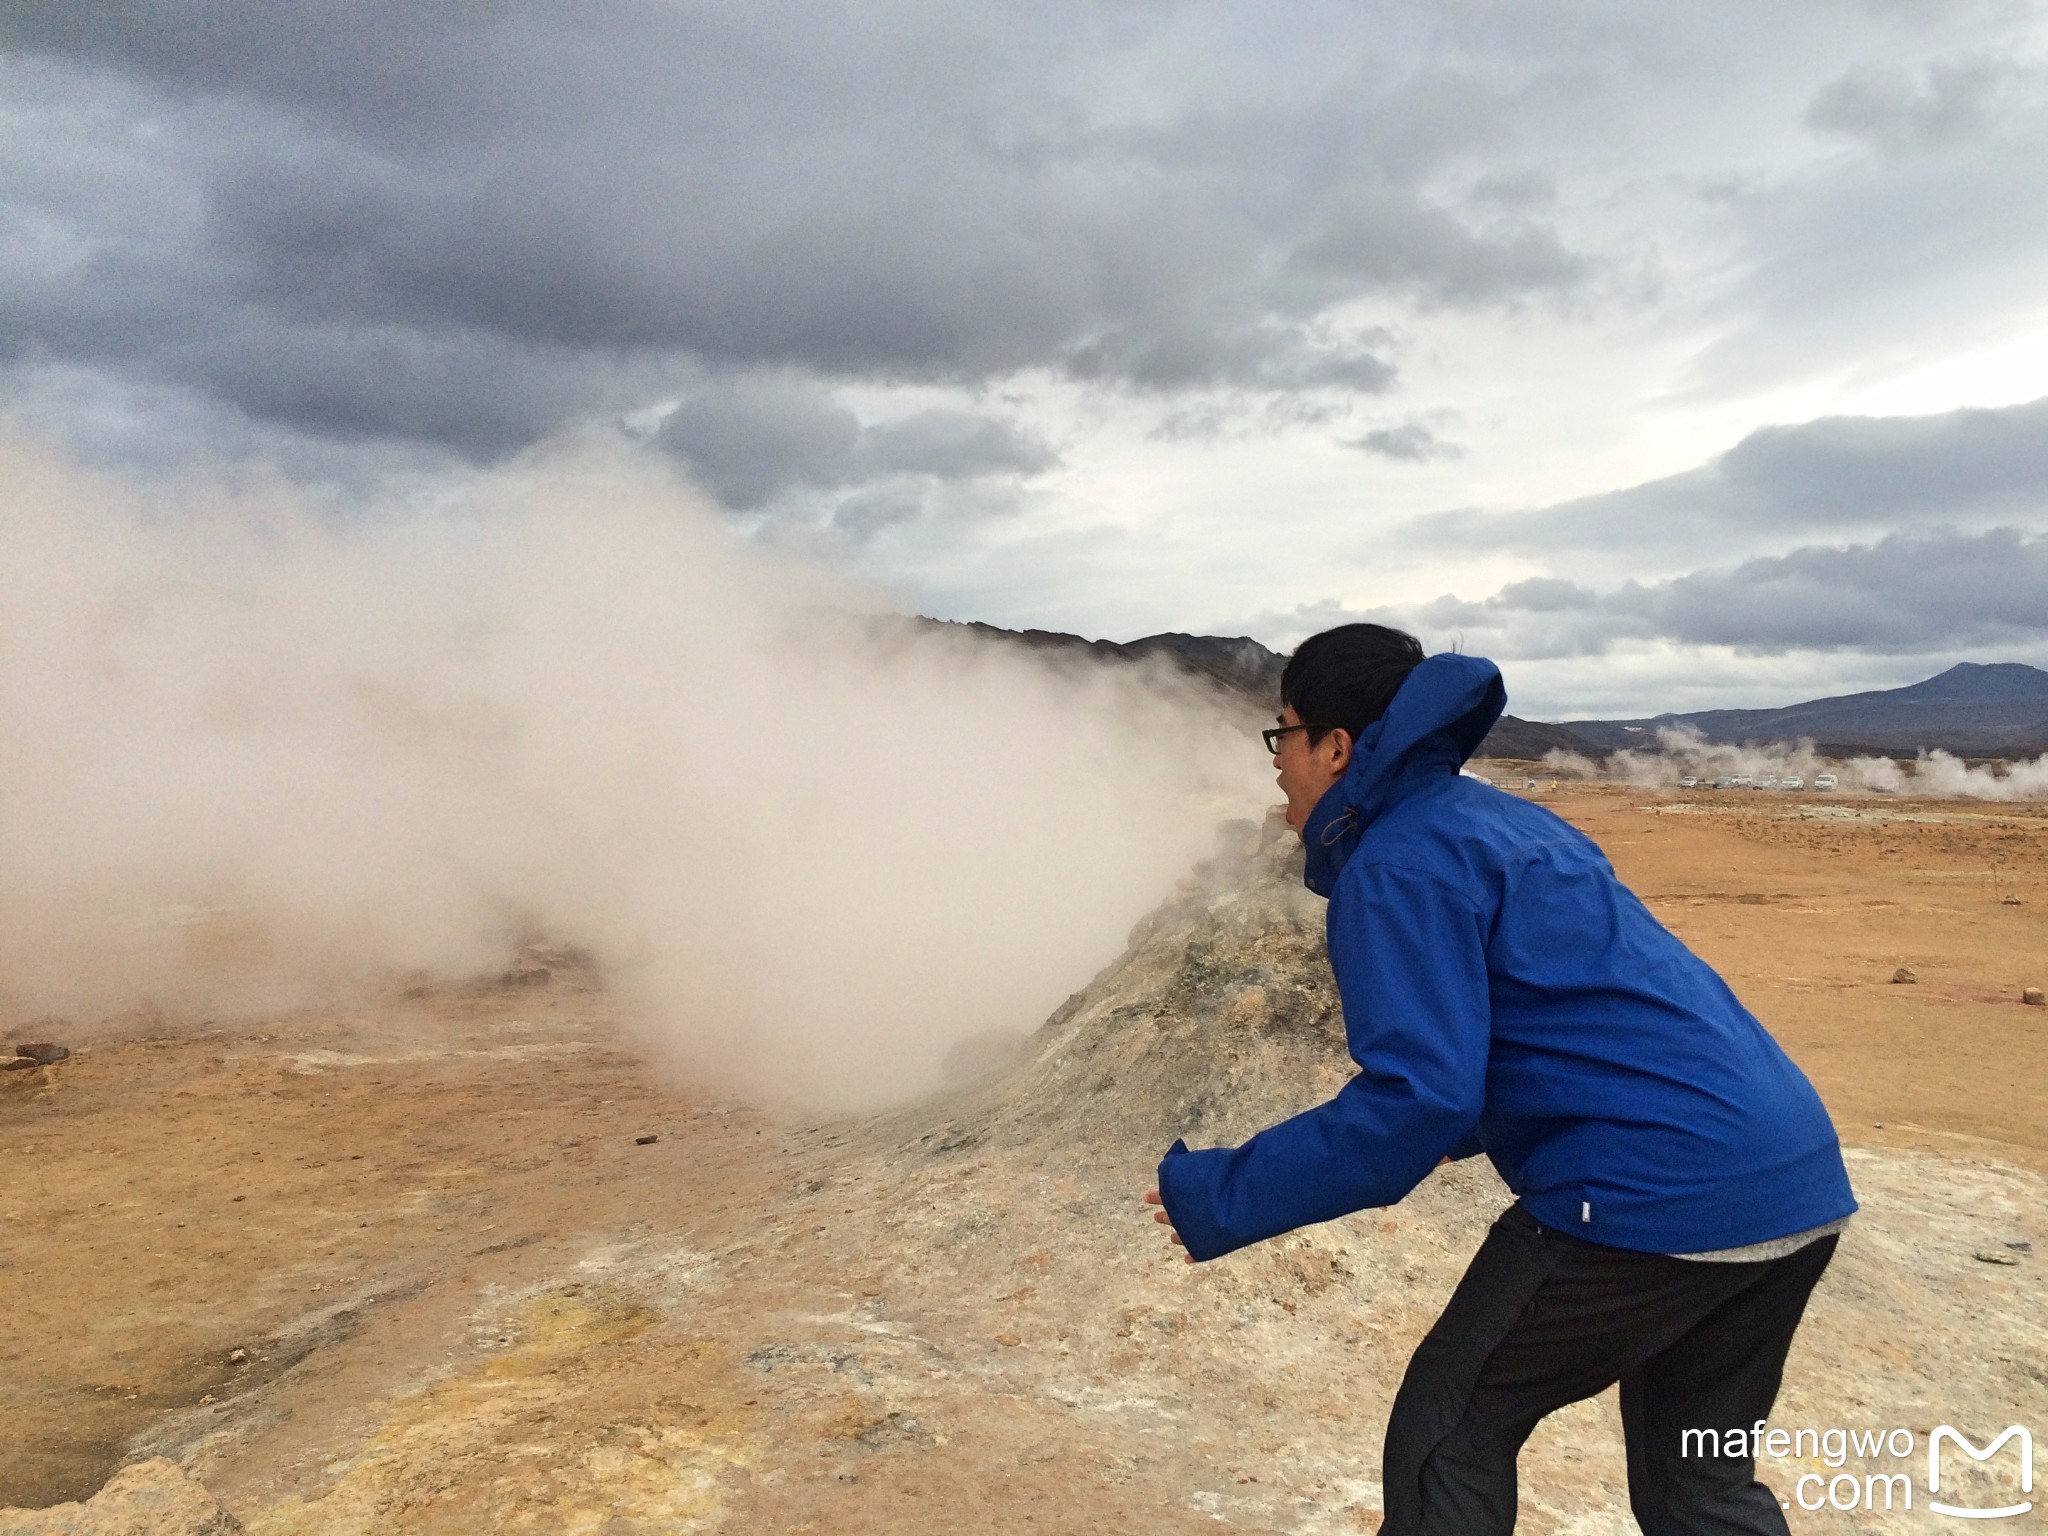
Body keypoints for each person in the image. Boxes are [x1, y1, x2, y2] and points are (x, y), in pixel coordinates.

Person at [1145, 624, 1855, 1536]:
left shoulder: (1398, 862)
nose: (1276, 761)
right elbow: (1551, 1017)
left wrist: (1221, 1193)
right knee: (1699, 1486)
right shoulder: (1502, 821)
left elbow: (1418, 1098)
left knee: (1450, 1433)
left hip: (1648, 1194)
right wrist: (1462, 1126)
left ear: (1335, 746)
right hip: (1791, 1181)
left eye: (1281, 733)